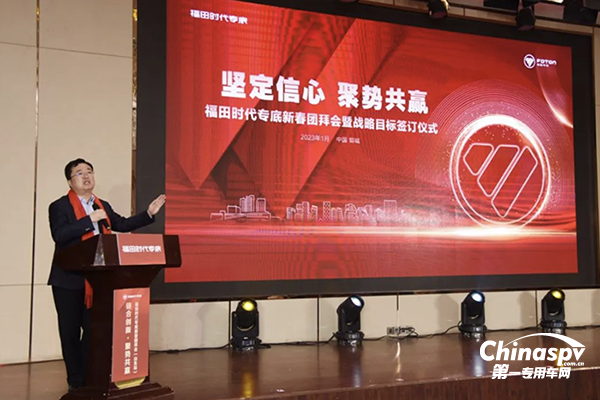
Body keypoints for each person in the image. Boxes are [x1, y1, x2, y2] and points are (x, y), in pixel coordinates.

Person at [48, 158, 165, 391]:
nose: (86, 176)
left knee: (94, 331)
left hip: (98, 279)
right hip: (69, 280)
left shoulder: (102, 205)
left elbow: (121, 224)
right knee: (70, 333)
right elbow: (59, 235)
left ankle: (90, 376)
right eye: (79, 173)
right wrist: (88, 221)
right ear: (70, 181)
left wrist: (148, 214)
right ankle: (75, 381)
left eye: (89, 171)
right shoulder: (59, 206)